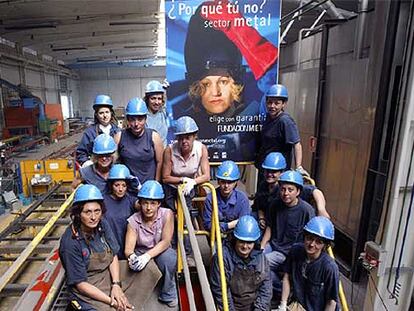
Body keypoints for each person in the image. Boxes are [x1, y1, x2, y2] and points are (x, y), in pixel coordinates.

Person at [59, 184, 161, 311]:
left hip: (107, 273)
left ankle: (125, 300)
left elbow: (113, 255)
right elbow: (80, 284)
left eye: (97, 211)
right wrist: (113, 302)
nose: (93, 217)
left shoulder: (102, 224)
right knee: (115, 308)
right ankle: (121, 303)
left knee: (150, 268)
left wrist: (116, 285)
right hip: (88, 285)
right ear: (78, 213)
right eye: (87, 212)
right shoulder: (70, 242)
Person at [260, 170, 315, 297]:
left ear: (298, 192)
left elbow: (311, 237)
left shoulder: (306, 211)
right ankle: (278, 287)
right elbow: (270, 227)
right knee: (255, 260)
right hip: (274, 245)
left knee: (261, 264)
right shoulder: (275, 204)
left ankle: (282, 290)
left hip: (290, 253)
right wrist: (262, 247)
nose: (286, 193)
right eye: (283, 189)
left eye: (290, 190)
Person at [125, 180, 178, 307]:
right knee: (134, 268)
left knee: (169, 258)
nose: (148, 208)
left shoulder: (167, 214)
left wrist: (147, 256)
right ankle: (137, 298)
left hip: (160, 250)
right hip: (140, 251)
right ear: (140, 203)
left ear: (159, 203)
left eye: (153, 203)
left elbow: (166, 241)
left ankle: (168, 292)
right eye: (145, 203)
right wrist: (132, 257)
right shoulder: (133, 221)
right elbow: (128, 249)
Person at [252, 152, 329, 230]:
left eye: (273, 172)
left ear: (281, 172)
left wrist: (321, 209)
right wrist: (262, 218)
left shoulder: (288, 186)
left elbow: (315, 191)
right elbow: (259, 205)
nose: (269, 174)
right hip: (268, 221)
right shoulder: (263, 185)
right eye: (267, 171)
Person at [210, 215, 272, 311]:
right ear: (235, 239)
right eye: (242, 241)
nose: (245, 246)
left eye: (249, 242)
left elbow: (266, 289)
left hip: (255, 306)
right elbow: (221, 291)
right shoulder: (222, 258)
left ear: (255, 242)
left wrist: (259, 309)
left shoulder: (261, 259)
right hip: (232, 306)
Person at [277, 217, 339, 311]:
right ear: (304, 237)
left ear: (325, 246)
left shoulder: (329, 267)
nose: (312, 244)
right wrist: (283, 304)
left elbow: (331, 302)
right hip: (297, 305)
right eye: (309, 238)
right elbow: (287, 278)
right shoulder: (295, 251)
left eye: (318, 242)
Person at [256, 84, 309, 176]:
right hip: (265, 168)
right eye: (269, 102)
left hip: (278, 171)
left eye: (277, 103)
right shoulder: (268, 118)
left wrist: (298, 167)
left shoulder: (285, 121)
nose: (272, 106)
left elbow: (296, 144)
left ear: (283, 104)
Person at [162, 116, 210, 213]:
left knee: (186, 208)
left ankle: (186, 221)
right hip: (172, 186)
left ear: (194, 136)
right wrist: (182, 180)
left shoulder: (201, 148)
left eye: (187, 138)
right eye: (180, 138)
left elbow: (207, 176)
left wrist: (193, 182)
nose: (184, 141)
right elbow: (165, 178)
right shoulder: (169, 150)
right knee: (170, 211)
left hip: (190, 186)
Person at [118, 97, 164, 184]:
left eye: (140, 119)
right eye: (132, 119)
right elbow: (112, 162)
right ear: (127, 119)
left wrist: (156, 183)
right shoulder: (119, 137)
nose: (136, 124)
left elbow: (160, 162)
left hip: (149, 188)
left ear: (145, 119)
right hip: (127, 189)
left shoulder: (154, 136)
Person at [203, 160, 250, 233]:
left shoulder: (242, 199)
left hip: (236, 237)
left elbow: (245, 224)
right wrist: (229, 225)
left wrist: (222, 226)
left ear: (236, 182)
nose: (226, 186)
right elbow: (207, 225)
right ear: (218, 181)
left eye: (230, 182)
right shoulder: (210, 198)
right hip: (215, 236)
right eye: (223, 181)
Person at [76, 94, 121, 167]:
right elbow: (81, 152)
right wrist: (86, 163)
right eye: (101, 113)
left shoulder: (118, 131)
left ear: (111, 113)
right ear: (96, 115)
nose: (105, 116)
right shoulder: (90, 133)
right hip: (97, 169)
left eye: (107, 112)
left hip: (115, 168)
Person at [103, 164, 137, 260]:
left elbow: (143, 205)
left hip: (127, 247)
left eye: (124, 185)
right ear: (111, 185)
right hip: (110, 248)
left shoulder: (130, 200)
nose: (121, 189)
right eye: (117, 185)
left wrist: (139, 188)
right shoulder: (103, 201)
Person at [144, 80, 169, 147]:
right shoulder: (143, 116)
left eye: (159, 99)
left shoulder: (163, 112)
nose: (157, 102)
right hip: (149, 154)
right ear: (147, 99)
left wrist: (165, 89)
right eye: (153, 98)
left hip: (163, 154)